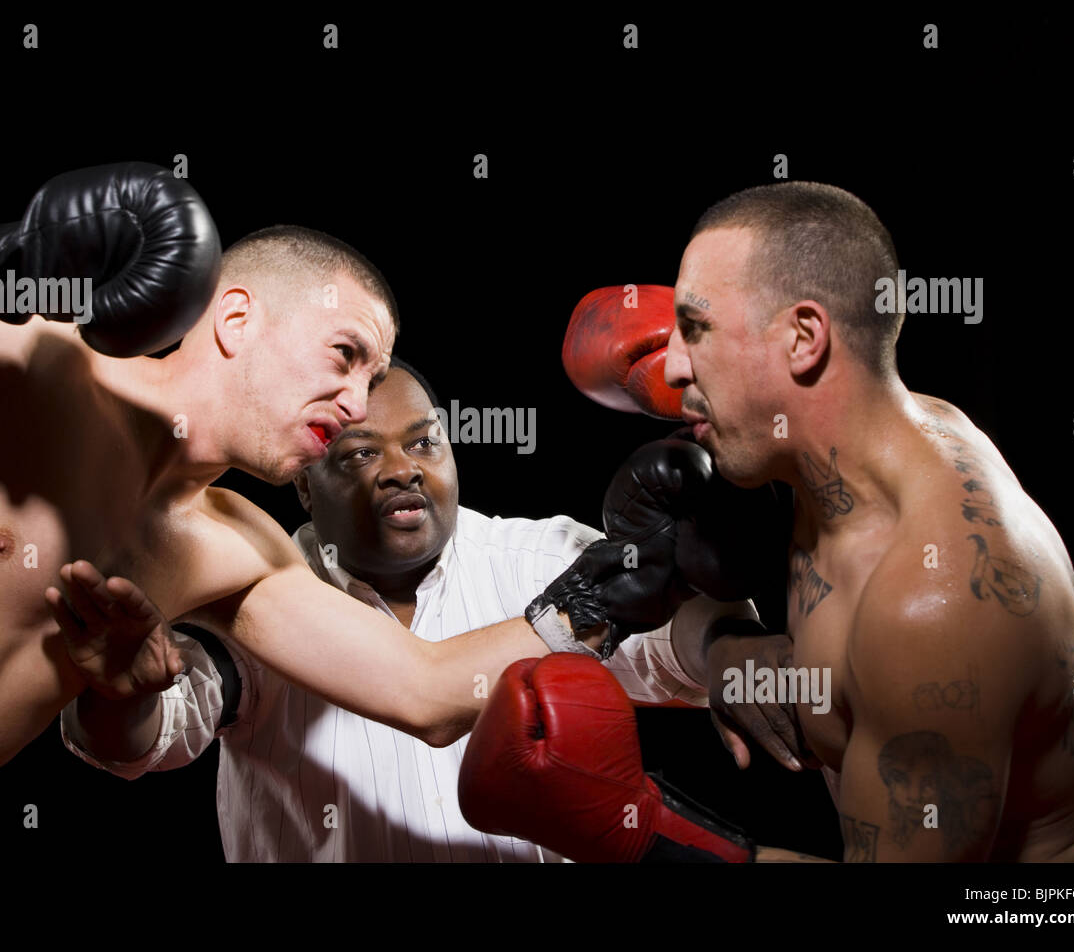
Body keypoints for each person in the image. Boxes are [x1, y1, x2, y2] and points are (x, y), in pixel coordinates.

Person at [0, 162, 614, 861]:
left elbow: (427, 692)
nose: (355, 403)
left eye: (371, 379)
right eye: (345, 355)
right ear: (235, 320)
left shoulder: (232, 547)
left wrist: (616, 589)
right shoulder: (35, 359)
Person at [460, 181, 1074, 862]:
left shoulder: (931, 602)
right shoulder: (857, 447)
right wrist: (733, 650)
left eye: (695, 328)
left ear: (804, 338)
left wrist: (642, 831)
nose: (672, 363)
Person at [61, 358, 746, 861]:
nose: (401, 469)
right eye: (361, 453)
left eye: (424, 442)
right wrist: (122, 695)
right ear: (305, 485)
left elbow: (668, 631)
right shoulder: (261, 587)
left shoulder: (538, 557)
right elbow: (153, 733)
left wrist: (732, 647)